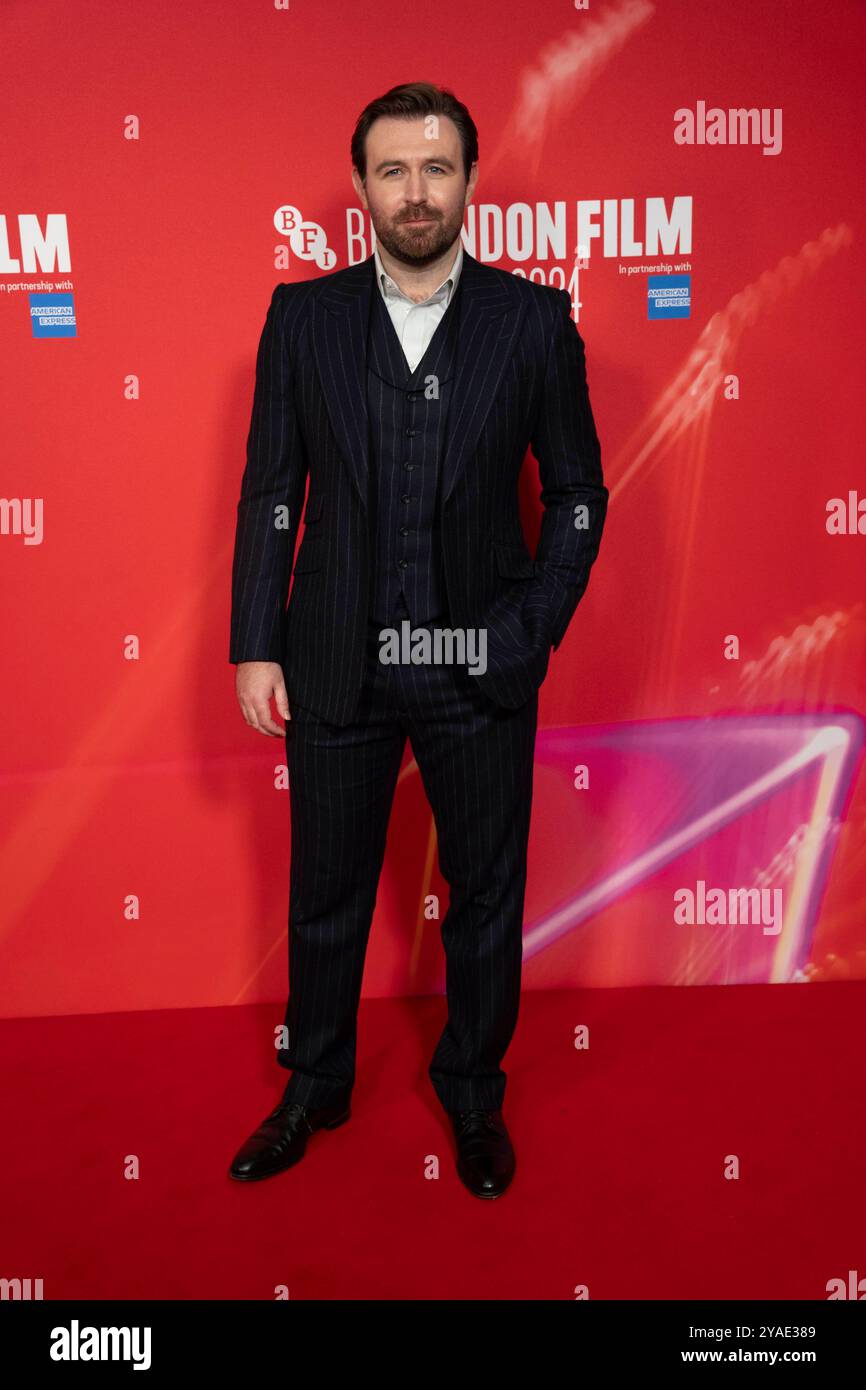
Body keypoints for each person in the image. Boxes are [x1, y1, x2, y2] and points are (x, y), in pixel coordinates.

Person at [227, 81, 607, 1198]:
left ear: (470, 183)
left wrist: (528, 629)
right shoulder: (302, 318)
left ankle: (475, 1094)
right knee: (323, 891)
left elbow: (579, 496)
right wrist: (258, 640)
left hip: (475, 663)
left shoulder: (533, 321)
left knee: (485, 893)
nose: (414, 191)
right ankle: (315, 1085)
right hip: (335, 652)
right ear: (360, 188)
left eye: (435, 168)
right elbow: (269, 491)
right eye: (391, 170)